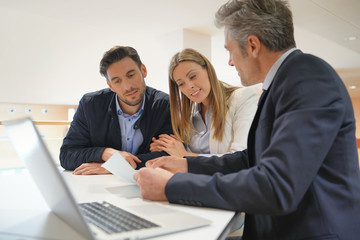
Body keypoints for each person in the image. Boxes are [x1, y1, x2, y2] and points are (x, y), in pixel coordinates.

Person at [134, 0, 360, 239]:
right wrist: (186, 165)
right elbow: (250, 158)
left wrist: (171, 187)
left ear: (252, 45)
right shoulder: (281, 84)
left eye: (229, 50)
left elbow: (277, 185)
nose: (230, 61)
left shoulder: (308, 79)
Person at [60, 46, 173, 174]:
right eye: (117, 81)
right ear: (110, 86)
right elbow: (67, 155)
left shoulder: (165, 104)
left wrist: (113, 167)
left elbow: (169, 156)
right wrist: (106, 153)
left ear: (143, 70)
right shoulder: (90, 105)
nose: (127, 87)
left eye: (131, 75)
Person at [150, 48, 259, 158]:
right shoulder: (189, 114)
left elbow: (242, 157)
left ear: (208, 70)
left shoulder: (243, 98)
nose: (189, 86)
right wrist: (166, 146)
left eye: (193, 76)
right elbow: (181, 151)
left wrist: (186, 156)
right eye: (181, 84)